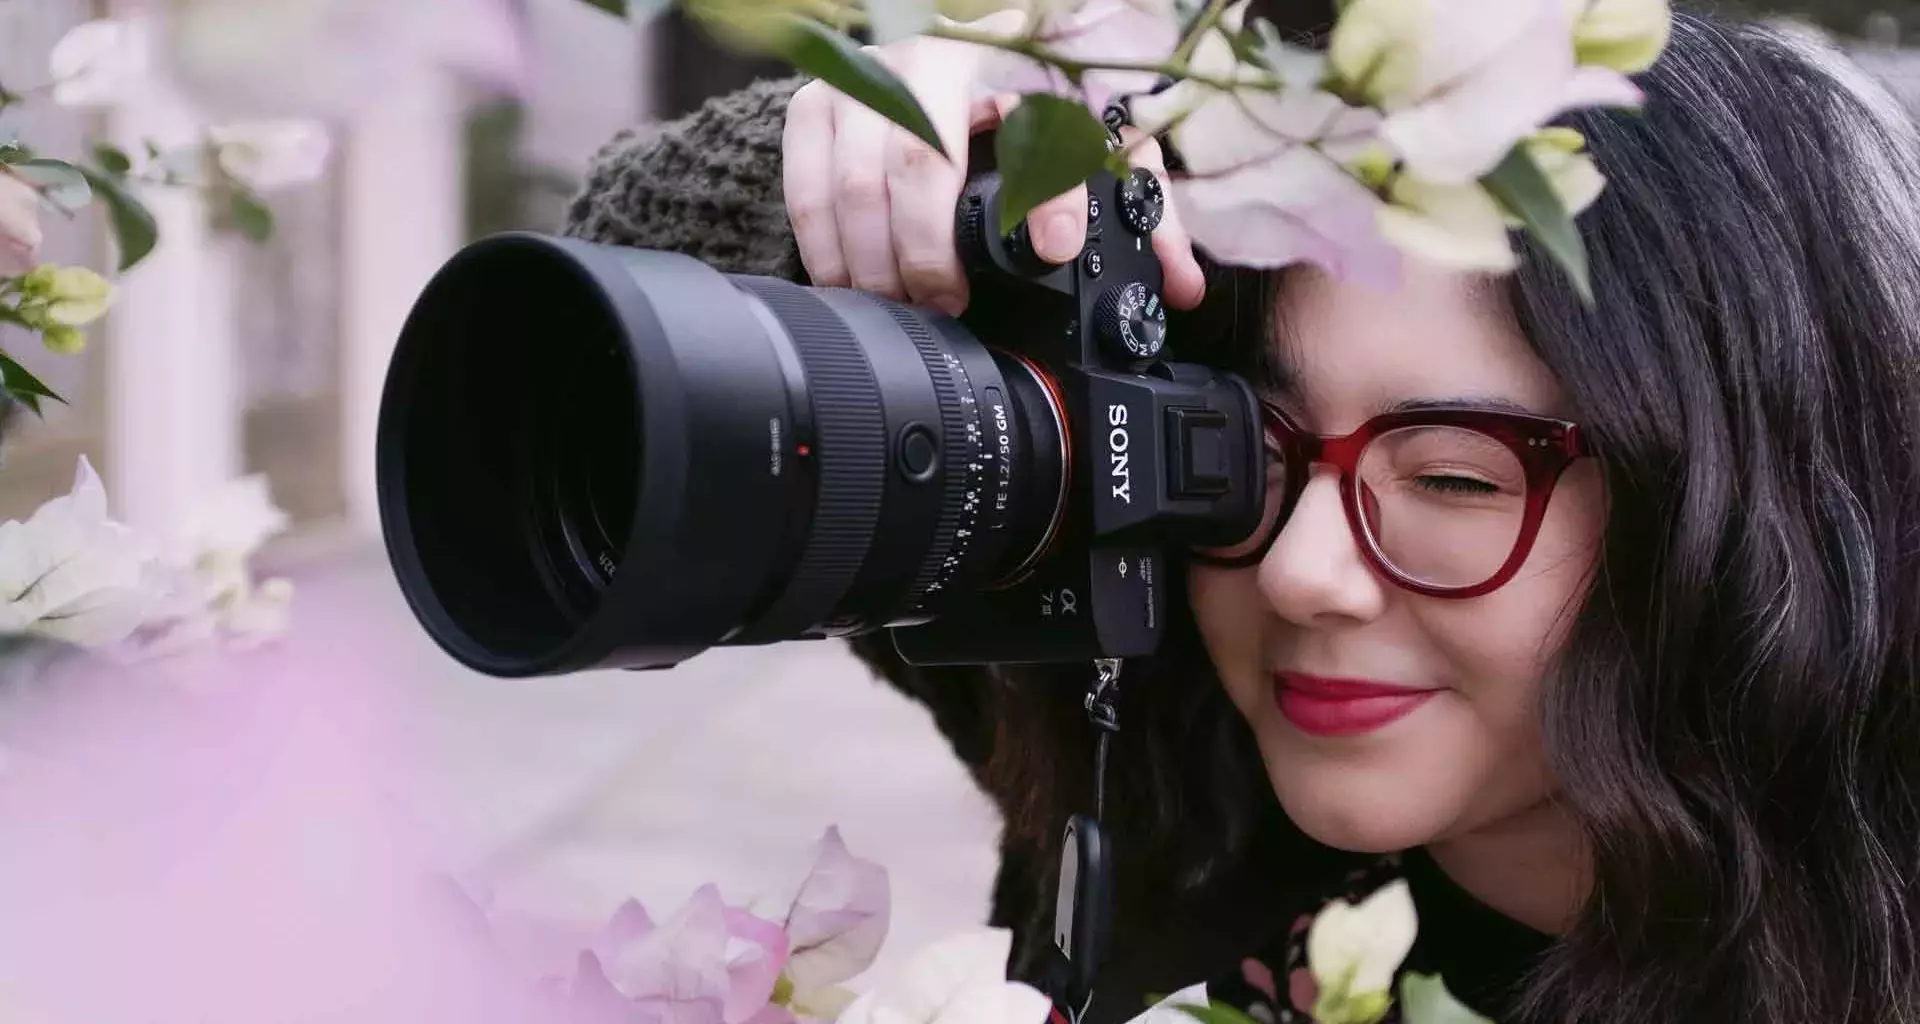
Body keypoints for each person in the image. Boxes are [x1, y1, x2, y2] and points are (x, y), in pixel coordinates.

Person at [564, 5, 1920, 1022]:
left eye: (1452, 477)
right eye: (1245, 446)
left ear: (1729, 507)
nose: (1301, 574)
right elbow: (609, 309)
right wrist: (935, 156)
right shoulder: (1159, 749)